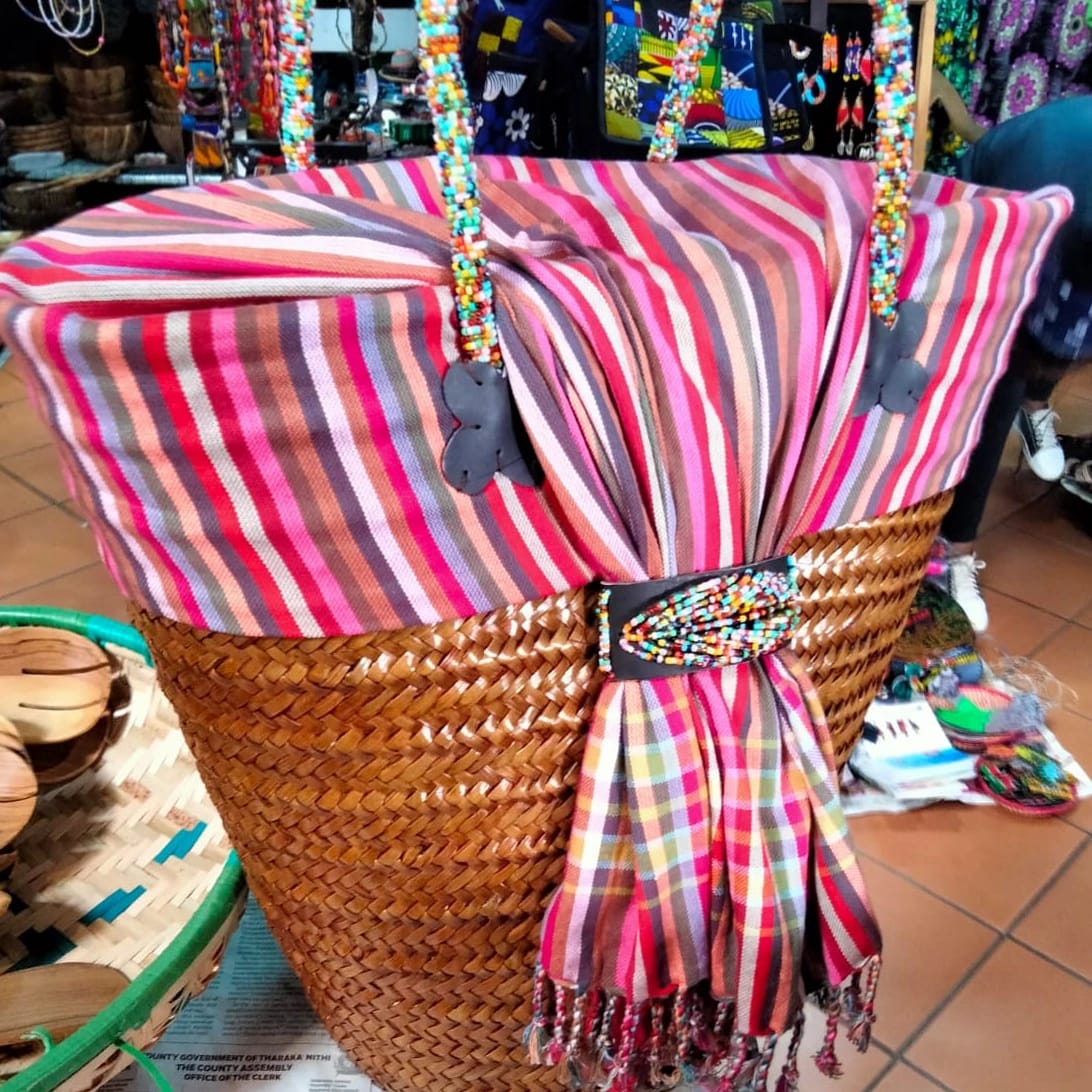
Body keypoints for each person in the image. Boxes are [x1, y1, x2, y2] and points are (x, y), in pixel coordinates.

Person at [933, 95, 1092, 633]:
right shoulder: (1031, 213)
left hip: (1069, 195)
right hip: (994, 197)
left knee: (1040, 353)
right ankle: (954, 551)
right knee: (998, 378)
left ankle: (1035, 405)